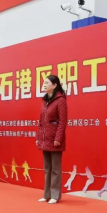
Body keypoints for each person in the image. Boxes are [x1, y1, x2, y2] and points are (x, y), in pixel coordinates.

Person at [36, 75, 68, 204]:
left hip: (55, 139)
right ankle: (47, 194)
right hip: (44, 139)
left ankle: (55, 195)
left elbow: (62, 121)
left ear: (54, 85)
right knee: (47, 168)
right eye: (44, 82)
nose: (44, 85)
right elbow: (41, 122)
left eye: (47, 83)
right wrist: (38, 137)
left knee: (55, 169)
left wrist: (58, 138)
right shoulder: (44, 100)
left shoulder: (60, 100)